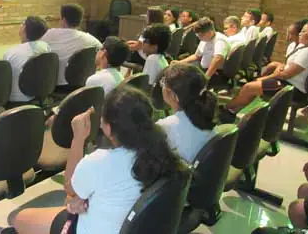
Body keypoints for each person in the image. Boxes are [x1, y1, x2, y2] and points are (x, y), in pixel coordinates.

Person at [12, 86, 186, 234]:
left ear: (109, 128)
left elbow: (70, 187)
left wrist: (78, 138)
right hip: (128, 224)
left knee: (19, 218)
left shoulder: (99, 161)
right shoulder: (161, 151)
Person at [221, 21, 308, 122]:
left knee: (249, 87)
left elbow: (286, 75)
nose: (300, 34)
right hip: (291, 84)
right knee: (252, 87)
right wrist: (282, 68)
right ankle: (231, 111)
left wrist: (266, 77)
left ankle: (225, 108)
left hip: (292, 89)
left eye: (303, 32)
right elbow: (290, 67)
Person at [157, 63, 218, 163]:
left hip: (180, 176)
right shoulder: (208, 116)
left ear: (173, 95)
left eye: (163, 83)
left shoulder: (164, 127)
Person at [41, 4, 102, 86]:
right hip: (83, 83)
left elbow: (37, 49)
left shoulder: (51, 34)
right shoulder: (90, 39)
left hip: (57, 84)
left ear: (64, 20)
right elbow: (102, 48)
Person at [4, 16, 50, 102]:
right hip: (41, 95)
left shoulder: (10, 52)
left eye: (22, 23)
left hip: (17, 100)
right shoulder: (45, 46)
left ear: (24, 28)